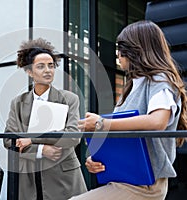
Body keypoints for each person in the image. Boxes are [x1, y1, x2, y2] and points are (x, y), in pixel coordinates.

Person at [71, 20, 187, 200]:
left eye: (121, 49)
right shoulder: (131, 87)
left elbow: (158, 121)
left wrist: (102, 123)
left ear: (136, 50)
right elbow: (121, 135)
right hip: (123, 179)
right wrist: (96, 160)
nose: (117, 55)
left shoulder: (159, 80)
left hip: (145, 185)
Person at [3, 38, 87, 200]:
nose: (48, 70)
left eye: (51, 65)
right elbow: (9, 139)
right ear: (29, 71)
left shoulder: (69, 99)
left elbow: (72, 136)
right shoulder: (18, 103)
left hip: (63, 176)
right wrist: (41, 150)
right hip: (29, 178)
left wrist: (30, 139)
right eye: (40, 66)